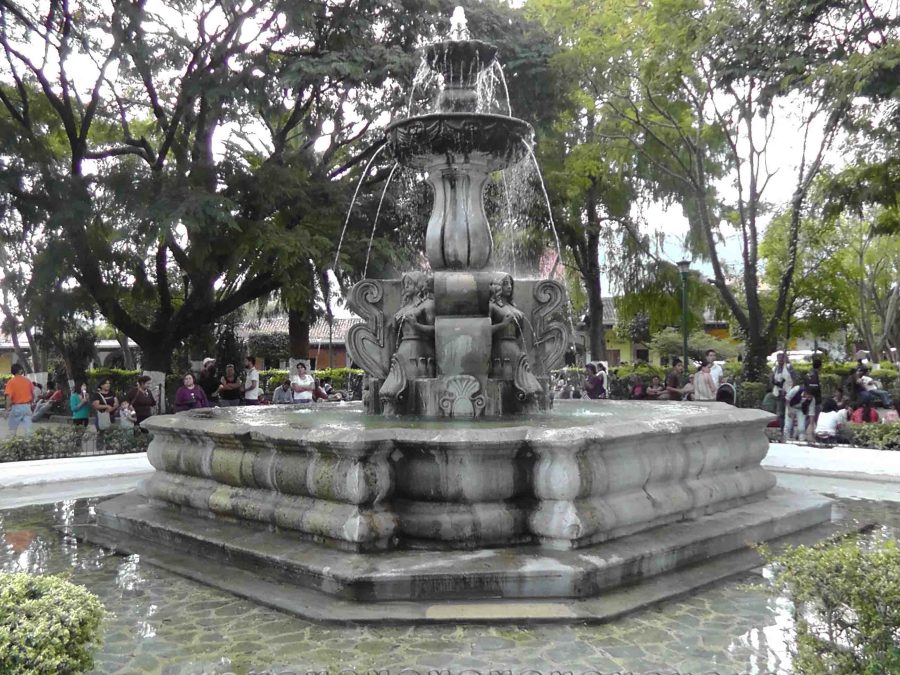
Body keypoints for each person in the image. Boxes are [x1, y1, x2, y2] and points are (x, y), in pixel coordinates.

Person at [4, 363, 34, 437]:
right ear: (20, 370)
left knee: (12, 430)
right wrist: (31, 402)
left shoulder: (11, 382)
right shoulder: (28, 381)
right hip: (27, 407)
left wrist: (7, 410)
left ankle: (13, 442)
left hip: (16, 407)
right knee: (29, 431)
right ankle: (29, 442)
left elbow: (9, 397)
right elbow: (33, 394)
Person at [770, 352, 795, 433]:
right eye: (778, 358)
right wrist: (776, 382)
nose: (780, 360)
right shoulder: (775, 369)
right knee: (780, 413)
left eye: (781, 358)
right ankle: (782, 429)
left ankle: (789, 430)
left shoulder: (789, 367)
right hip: (779, 393)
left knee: (789, 412)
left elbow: (794, 379)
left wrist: (790, 390)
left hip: (788, 392)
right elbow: (772, 380)